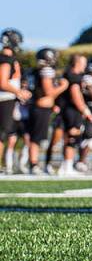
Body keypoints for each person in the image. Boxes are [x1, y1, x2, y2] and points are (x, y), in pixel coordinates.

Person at [28, 48, 67, 174]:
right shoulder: (46, 70)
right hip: (41, 107)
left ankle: (35, 164)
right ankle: (34, 164)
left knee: (37, 137)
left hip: (40, 107)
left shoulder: (36, 71)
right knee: (37, 137)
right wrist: (63, 87)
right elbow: (49, 92)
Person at [56, 54, 92, 176]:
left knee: (71, 137)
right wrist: (86, 111)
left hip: (69, 110)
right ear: (77, 63)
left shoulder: (69, 74)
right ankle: (67, 166)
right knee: (72, 137)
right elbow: (76, 95)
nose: (85, 66)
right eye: (84, 63)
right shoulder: (74, 76)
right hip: (72, 110)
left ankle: (66, 165)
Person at [1, 29, 33, 173]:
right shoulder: (6, 59)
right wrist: (19, 92)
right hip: (4, 99)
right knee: (1, 134)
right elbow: (3, 82)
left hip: (7, 99)